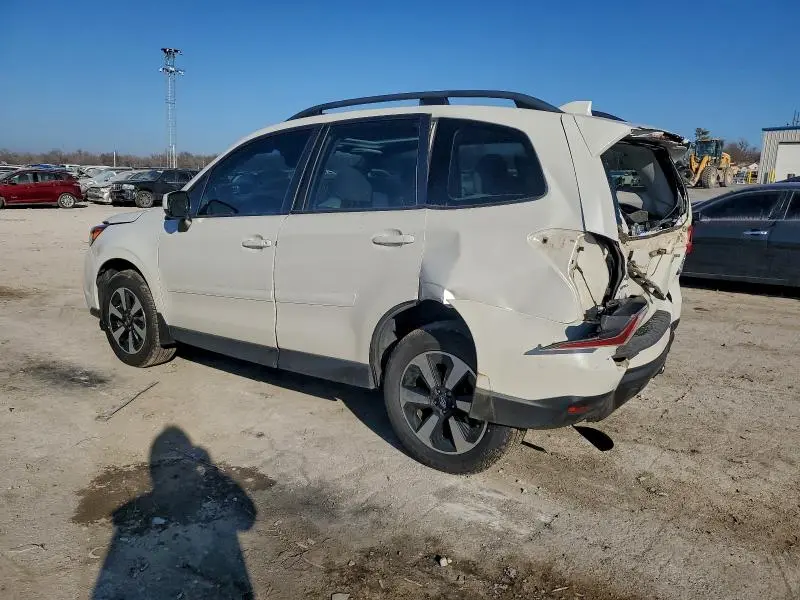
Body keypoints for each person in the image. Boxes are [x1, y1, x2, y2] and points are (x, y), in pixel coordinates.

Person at [92, 427, 256, 599]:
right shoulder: (133, 515)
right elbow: (247, 520)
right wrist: (211, 470)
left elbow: (247, 520)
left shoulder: (133, 515)